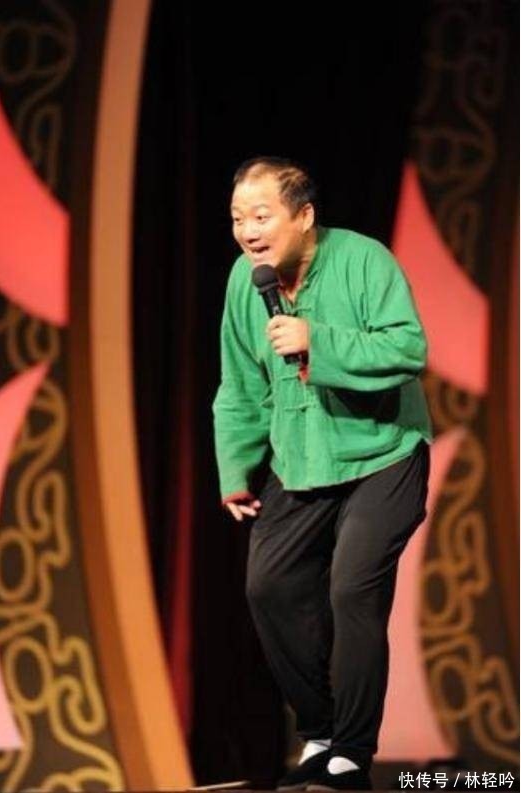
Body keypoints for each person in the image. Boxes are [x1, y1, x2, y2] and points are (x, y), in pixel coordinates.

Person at [212, 156, 432, 791]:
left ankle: (352, 752)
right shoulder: (244, 282)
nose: (248, 231)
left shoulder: (364, 260)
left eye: (261, 215)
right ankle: (322, 730)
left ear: (304, 216)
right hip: (301, 458)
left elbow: (408, 347)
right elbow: (239, 382)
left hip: (383, 453)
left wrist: (318, 340)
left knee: (352, 589)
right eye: (238, 218)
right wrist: (236, 468)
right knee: (269, 586)